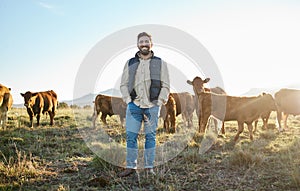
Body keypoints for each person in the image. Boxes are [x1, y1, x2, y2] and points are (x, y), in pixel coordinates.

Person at [118, 32, 170, 177]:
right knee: (131, 137)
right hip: (134, 105)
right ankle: (131, 167)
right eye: (141, 41)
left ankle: (149, 168)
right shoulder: (130, 63)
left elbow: (166, 85)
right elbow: (123, 84)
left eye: (147, 41)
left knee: (151, 137)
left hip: (152, 106)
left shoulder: (160, 63)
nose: (144, 44)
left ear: (151, 44)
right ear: (137, 44)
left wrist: (159, 102)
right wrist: (128, 100)